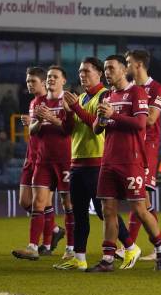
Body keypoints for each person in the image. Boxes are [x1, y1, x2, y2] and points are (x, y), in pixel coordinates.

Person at [87, 55, 161, 272]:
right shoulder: (108, 96)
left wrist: (114, 115)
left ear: (124, 70)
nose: (107, 72)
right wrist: (102, 120)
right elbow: (96, 129)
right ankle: (108, 259)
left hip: (131, 161)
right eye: (105, 68)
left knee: (140, 209)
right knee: (107, 209)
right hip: (109, 161)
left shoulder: (137, 92)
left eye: (111, 68)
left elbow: (141, 123)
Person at [54, 57, 135, 271]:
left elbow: (96, 125)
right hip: (77, 162)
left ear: (99, 73)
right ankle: (79, 258)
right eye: (80, 71)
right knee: (79, 213)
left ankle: (129, 245)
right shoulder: (79, 97)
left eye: (87, 71)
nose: (82, 75)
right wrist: (70, 113)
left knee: (103, 211)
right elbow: (68, 130)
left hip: (97, 161)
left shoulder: (105, 95)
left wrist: (76, 109)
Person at [12, 66, 74, 261]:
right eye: (48, 77)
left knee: (67, 204)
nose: (51, 80)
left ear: (64, 80)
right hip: (43, 159)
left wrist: (50, 118)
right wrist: (38, 121)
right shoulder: (38, 102)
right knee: (37, 202)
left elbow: (69, 130)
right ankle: (33, 246)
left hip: (65, 160)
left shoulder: (69, 100)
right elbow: (32, 131)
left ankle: (71, 247)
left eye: (55, 77)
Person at [125, 50, 161, 261]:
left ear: (139, 65)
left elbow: (150, 119)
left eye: (128, 63)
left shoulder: (157, 88)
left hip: (148, 147)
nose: (126, 67)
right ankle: (159, 246)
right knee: (142, 199)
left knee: (139, 197)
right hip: (130, 146)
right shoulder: (129, 89)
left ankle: (129, 245)